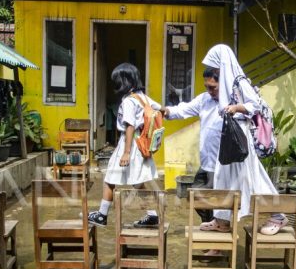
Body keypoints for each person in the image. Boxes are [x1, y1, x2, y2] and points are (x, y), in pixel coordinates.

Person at [190, 44, 286, 235]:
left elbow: (255, 104)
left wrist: (235, 109)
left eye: (216, 67)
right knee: (222, 176)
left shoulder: (239, 81)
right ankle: (221, 220)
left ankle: (278, 215)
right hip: (231, 137)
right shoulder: (228, 83)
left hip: (239, 136)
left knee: (252, 177)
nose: (215, 71)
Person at [88, 63, 161, 228]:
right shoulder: (142, 97)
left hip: (129, 144)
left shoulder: (129, 101)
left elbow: (129, 126)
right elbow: (160, 109)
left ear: (124, 81)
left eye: (117, 80)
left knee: (109, 179)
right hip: (141, 144)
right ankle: (152, 215)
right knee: (138, 182)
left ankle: (102, 215)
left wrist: (126, 152)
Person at [161, 67, 223, 223]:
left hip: (223, 165)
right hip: (206, 163)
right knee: (195, 196)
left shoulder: (232, 103)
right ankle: (209, 228)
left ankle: (216, 236)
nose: (209, 90)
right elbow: (184, 109)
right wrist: (166, 111)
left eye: (213, 87)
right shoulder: (204, 99)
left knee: (220, 203)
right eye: (206, 87)